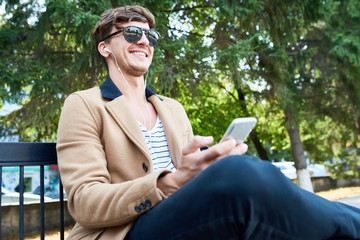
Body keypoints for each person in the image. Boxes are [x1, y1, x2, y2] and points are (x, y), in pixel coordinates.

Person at [56, 5, 360, 240]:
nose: (144, 41)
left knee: (252, 171)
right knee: (240, 174)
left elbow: (190, 171)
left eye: (150, 36)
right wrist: (169, 183)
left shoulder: (171, 109)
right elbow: (85, 201)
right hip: (124, 231)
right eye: (132, 34)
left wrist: (206, 166)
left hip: (183, 218)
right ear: (105, 47)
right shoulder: (84, 104)